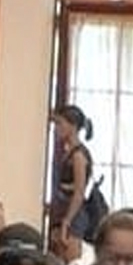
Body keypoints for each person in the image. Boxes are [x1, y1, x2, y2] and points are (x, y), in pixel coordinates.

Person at [48, 104, 97, 255]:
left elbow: (79, 192)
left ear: (73, 126)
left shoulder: (78, 155)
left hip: (73, 214)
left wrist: (67, 221)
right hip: (62, 209)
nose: (57, 128)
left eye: (60, 124)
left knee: (70, 262)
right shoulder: (68, 153)